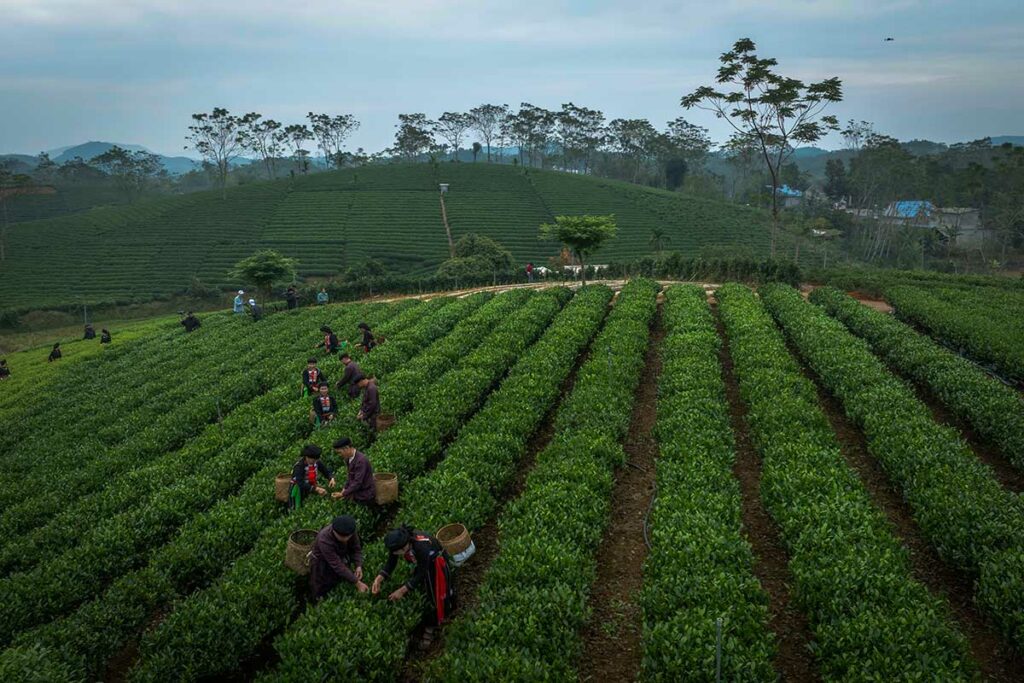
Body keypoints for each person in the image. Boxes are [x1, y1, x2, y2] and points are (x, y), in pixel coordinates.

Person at [373, 525, 455, 645]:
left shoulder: (421, 546)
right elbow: (391, 562)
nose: (396, 553)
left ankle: (436, 622)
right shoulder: (399, 544)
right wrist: (379, 578)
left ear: (406, 545)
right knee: (423, 588)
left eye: (398, 551)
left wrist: (402, 591)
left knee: (435, 594)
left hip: (435, 564)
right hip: (423, 564)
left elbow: (422, 571)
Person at [309, 515, 368, 601]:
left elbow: (356, 549)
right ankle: (316, 603)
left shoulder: (350, 530)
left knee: (337, 581)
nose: (346, 539)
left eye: (348, 536)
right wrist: (357, 582)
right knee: (320, 587)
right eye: (342, 537)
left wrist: (358, 566)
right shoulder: (324, 539)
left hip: (339, 556)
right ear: (334, 531)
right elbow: (337, 565)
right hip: (321, 563)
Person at [289, 444, 336, 510]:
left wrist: (331, 478)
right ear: (306, 457)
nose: (314, 462)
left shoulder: (316, 462)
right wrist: (316, 489)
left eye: (316, 460)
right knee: (296, 508)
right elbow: (300, 483)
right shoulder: (299, 466)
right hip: (299, 489)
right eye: (313, 460)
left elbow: (326, 471)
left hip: (311, 486)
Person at [330, 437, 375, 504]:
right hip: (356, 490)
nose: (340, 455)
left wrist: (343, 494)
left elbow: (357, 482)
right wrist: (345, 489)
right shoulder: (348, 459)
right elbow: (350, 476)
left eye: (340, 452)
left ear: (346, 448)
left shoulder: (360, 461)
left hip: (365, 493)